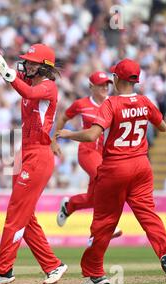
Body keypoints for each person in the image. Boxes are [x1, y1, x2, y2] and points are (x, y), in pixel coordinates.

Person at [56, 58, 166, 284]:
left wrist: (67, 133)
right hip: (142, 166)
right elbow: (163, 127)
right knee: (150, 217)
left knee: (104, 223)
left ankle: (95, 274)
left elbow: (92, 136)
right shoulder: (145, 101)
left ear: (116, 79)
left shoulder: (111, 103)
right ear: (136, 80)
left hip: (116, 167)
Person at [0, 44, 67, 284]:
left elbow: (25, 91)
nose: (26, 65)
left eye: (32, 62)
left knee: (16, 215)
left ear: (44, 67)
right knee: (24, 216)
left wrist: (5, 70)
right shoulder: (31, 83)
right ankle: (52, 265)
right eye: (26, 61)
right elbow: (14, 79)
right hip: (27, 153)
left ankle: (3, 270)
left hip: (38, 154)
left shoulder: (48, 86)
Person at [52, 71, 122, 239]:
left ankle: (69, 206)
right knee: (105, 180)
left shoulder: (113, 103)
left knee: (92, 199)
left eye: (107, 84)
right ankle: (104, 226)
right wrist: (54, 140)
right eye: (101, 84)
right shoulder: (81, 104)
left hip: (105, 154)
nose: (105, 87)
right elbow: (63, 118)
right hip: (87, 151)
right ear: (91, 87)